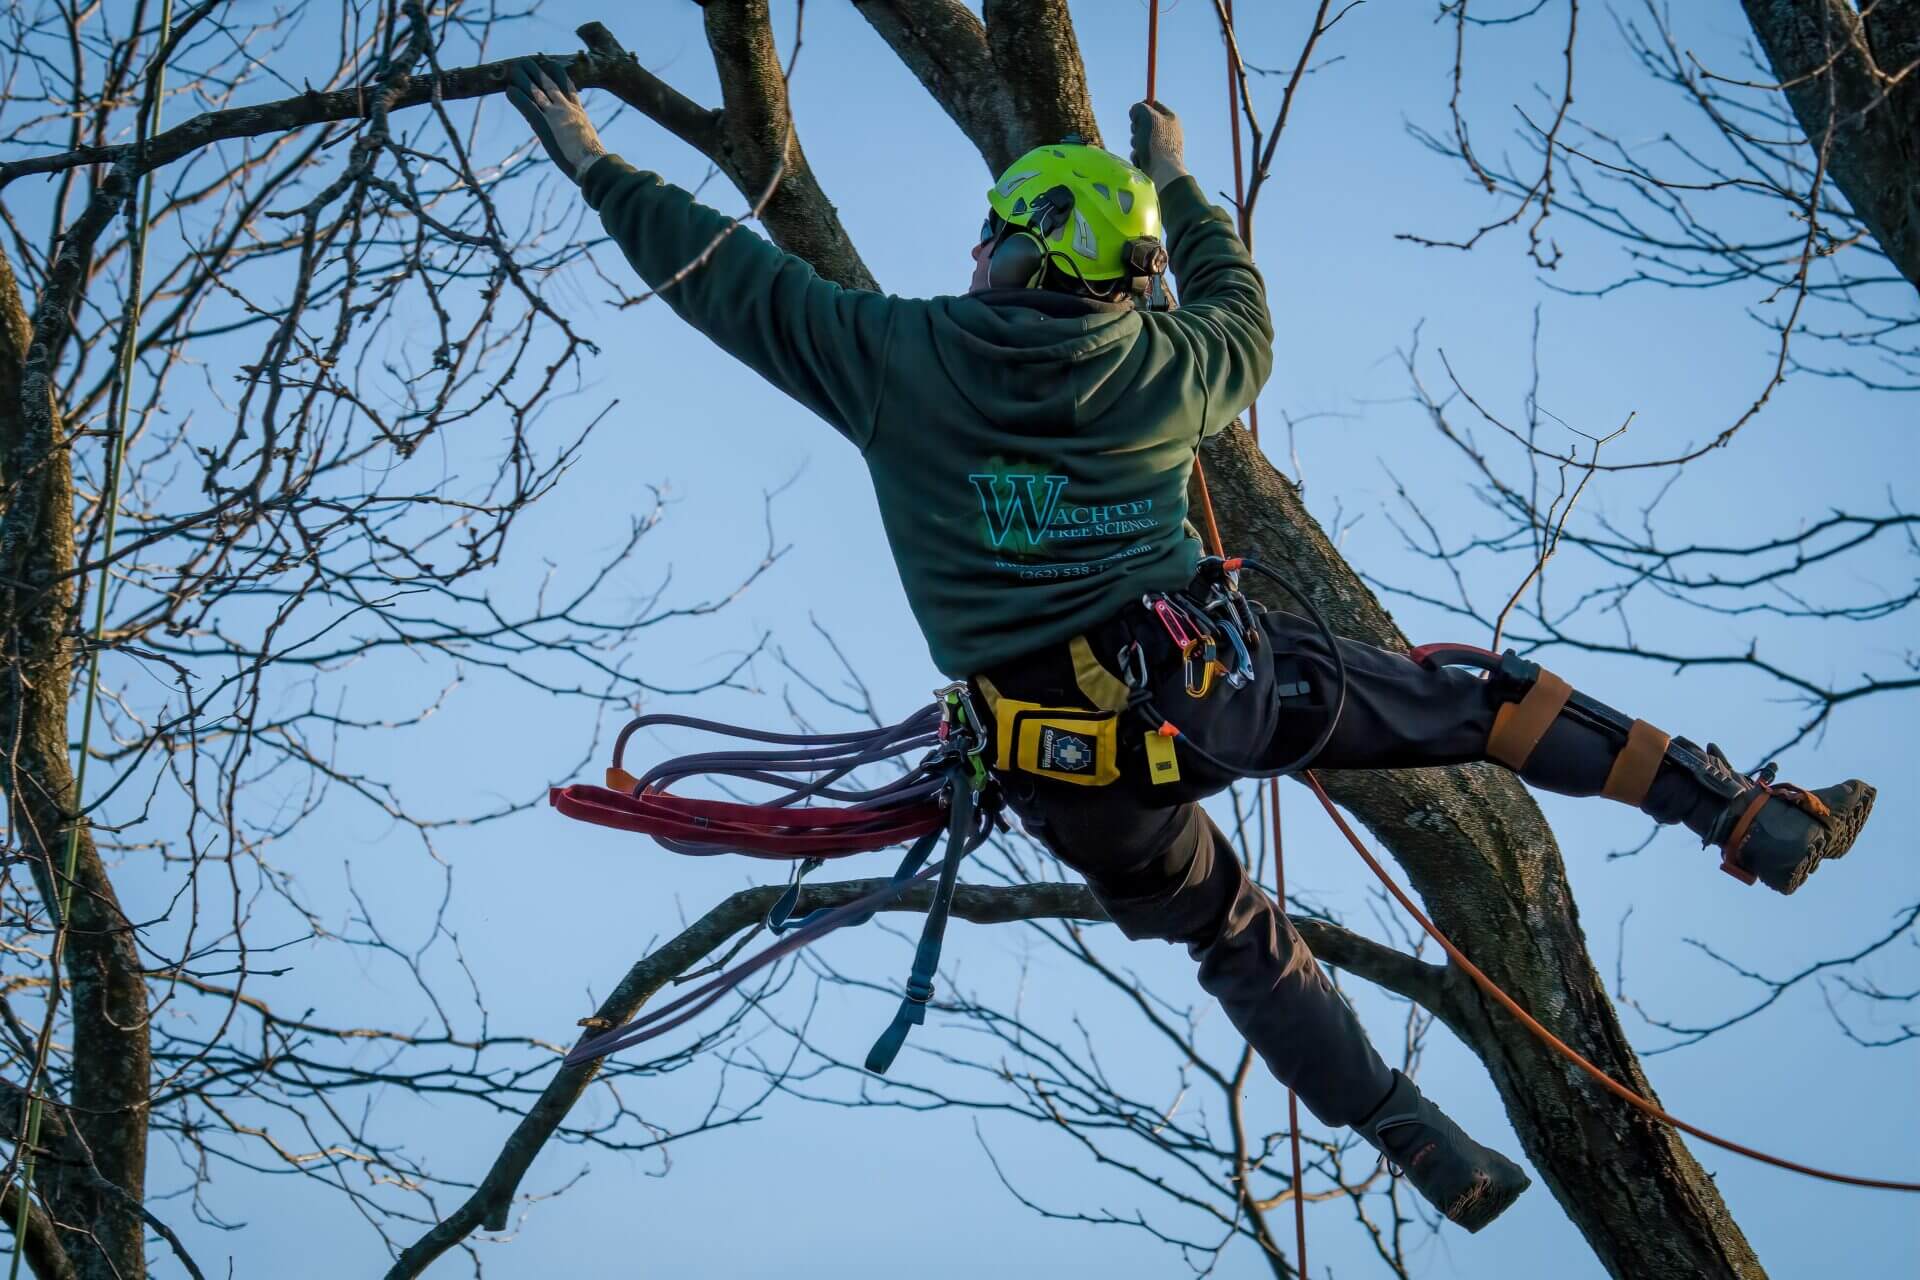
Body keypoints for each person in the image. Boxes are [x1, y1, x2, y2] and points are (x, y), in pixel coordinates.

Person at [505, 58, 1875, 1232]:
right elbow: (1242, 309)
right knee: (1471, 698)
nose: (971, 253)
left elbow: (716, 274)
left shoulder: (888, 360)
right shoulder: (1170, 367)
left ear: (1033, 242)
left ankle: (1413, 1140)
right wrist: (1183, 176)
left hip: (1057, 775)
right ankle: (1731, 808)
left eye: (991, 232)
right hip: (1216, 691)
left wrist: (591, 159)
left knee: (1231, 934)